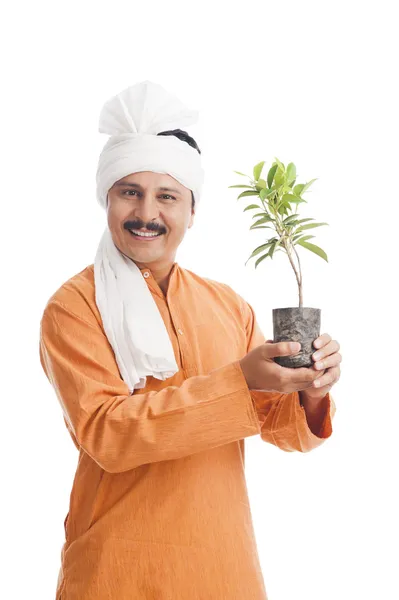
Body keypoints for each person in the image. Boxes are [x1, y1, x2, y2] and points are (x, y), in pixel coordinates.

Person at [39, 80, 340, 600]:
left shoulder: (228, 305)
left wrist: (311, 391)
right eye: (129, 191)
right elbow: (108, 435)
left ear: (192, 212)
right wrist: (237, 380)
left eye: (168, 197)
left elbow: (280, 427)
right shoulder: (75, 306)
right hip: (117, 571)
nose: (147, 214)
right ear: (105, 199)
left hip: (225, 571)